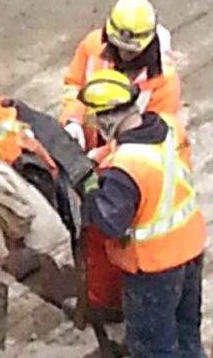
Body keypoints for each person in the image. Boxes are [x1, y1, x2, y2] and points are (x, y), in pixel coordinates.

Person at [78, 70, 205, 358]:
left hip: (155, 267)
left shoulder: (125, 169)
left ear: (109, 117)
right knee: (186, 335)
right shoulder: (167, 127)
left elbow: (110, 223)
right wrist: (101, 156)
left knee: (153, 348)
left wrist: (88, 186)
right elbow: (152, 164)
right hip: (190, 247)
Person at [63, 0, 187, 141]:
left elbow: (150, 138)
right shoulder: (92, 46)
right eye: (117, 46)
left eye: (130, 51)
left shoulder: (164, 82)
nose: (122, 54)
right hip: (86, 143)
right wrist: (73, 120)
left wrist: (101, 156)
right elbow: (73, 86)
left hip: (124, 154)